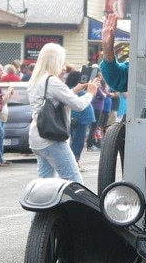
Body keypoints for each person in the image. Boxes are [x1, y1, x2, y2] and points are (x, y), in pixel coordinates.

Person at [28, 43, 98, 183]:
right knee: (74, 182)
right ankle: (75, 206)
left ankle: (44, 205)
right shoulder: (52, 81)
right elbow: (78, 105)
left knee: (45, 183)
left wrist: (76, 90)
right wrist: (90, 93)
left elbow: (53, 101)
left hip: (38, 135)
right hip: (53, 138)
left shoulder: (36, 79)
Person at [65, 70, 96, 172]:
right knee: (77, 142)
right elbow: (77, 106)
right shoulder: (75, 91)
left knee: (76, 141)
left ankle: (75, 162)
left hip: (81, 119)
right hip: (80, 120)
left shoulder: (71, 90)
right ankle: (74, 163)